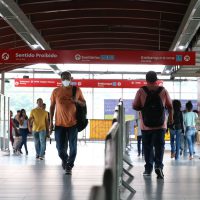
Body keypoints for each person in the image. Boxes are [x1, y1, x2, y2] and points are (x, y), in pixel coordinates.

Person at [133, 71, 173, 179]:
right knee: (159, 147)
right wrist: (171, 119)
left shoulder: (141, 91)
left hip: (146, 125)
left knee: (147, 147)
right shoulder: (163, 90)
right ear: (156, 79)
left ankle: (148, 168)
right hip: (160, 125)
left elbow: (135, 105)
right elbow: (170, 106)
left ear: (146, 80)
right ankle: (159, 166)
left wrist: (143, 108)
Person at [50, 71, 86, 175]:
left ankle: (69, 165)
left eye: (68, 78)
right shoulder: (56, 91)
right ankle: (65, 160)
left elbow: (83, 103)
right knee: (60, 148)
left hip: (73, 124)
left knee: (73, 146)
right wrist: (50, 122)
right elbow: (52, 106)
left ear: (71, 78)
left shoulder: (76, 90)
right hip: (59, 124)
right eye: (64, 78)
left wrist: (77, 101)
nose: (66, 80)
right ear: (61, 79)